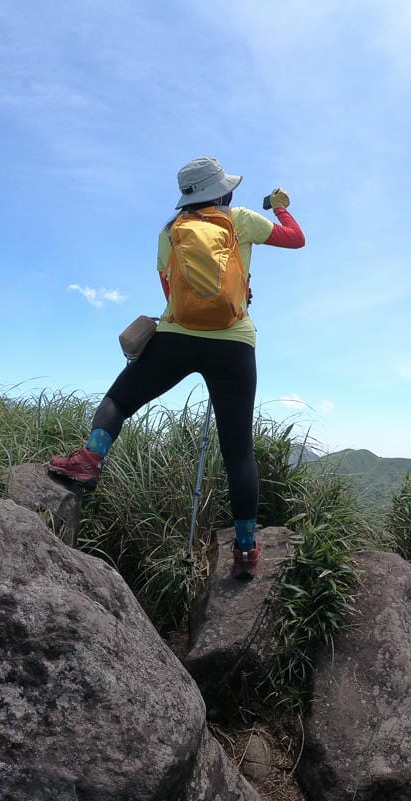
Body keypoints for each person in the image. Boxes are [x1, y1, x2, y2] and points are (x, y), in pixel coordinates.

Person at [47, 157, 306, 579]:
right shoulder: (240, 219)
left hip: (177, 337)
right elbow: (296, 240)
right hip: (235, 343)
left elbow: (172, 291)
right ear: (220, 192)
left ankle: (90, 460)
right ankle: (245, 551)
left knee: (118, 399)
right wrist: (279, 207)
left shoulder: (170, 232)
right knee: (238, 452)